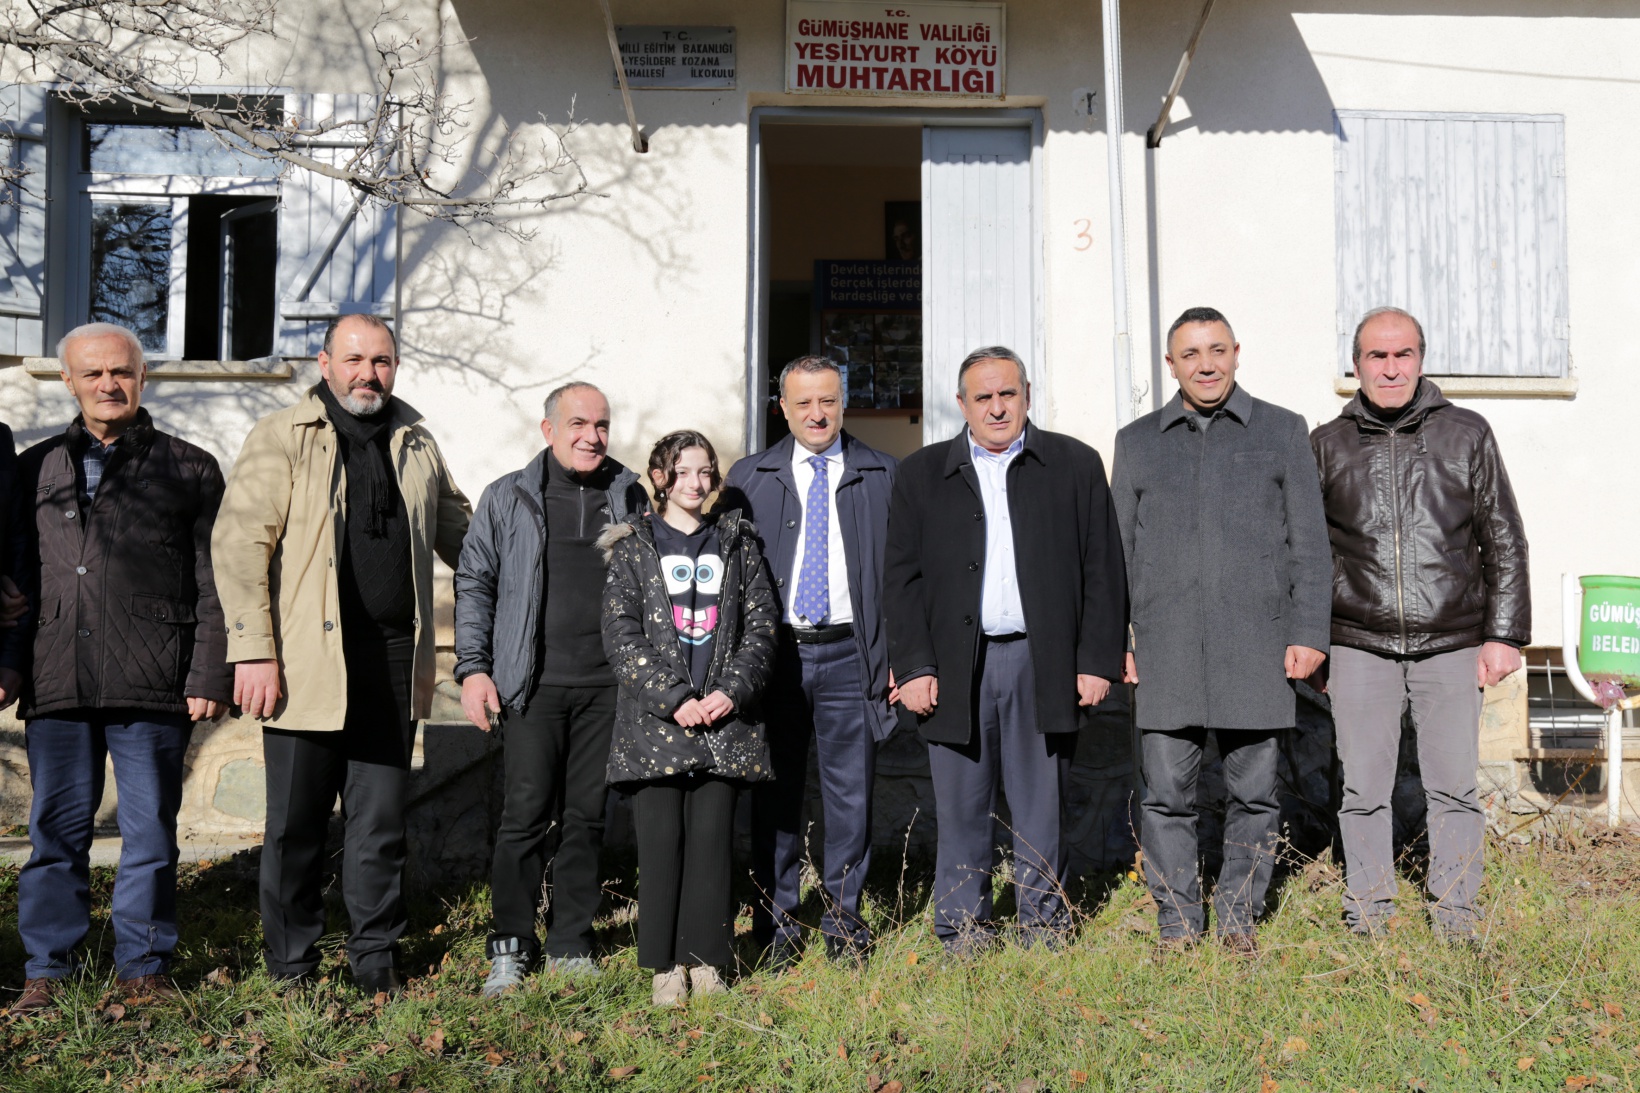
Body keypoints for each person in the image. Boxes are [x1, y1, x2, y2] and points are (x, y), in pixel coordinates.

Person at [212, 313, 471, 995]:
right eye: (354, 359)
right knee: (296, 826)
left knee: (379, 824)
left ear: (395, 367)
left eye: (381, 361)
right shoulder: (282, 435)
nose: (368, 374)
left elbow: (462, 532)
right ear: (324, 363)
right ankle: (292, 965)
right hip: (305, 663)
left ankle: (375, 959)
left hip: (392, 660)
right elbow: (239, 546)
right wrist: (253, 652)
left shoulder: (415, 441)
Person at [4, 323, 230, 1015]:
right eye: (94, 373)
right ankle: (48, 970)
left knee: (150, 832)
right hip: (56, 674)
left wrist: (209, 673)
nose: (109, 384)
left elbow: (217, 580)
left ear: (142, 378)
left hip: (154, 678)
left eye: (122, 372)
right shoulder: (33, 468)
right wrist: (9, 661)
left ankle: (144, 967)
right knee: (55, 833)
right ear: (69, 381)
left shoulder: (190, 467)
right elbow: (14, 576)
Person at [884, 346, 1127, 954]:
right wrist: (913, 666)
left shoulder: (1074, 464)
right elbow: (901, 580)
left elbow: (1103, 569)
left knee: (1042, 806)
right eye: (983, 397)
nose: (996, 407)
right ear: (961, 404)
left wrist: (1096, 660)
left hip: (1043, 663)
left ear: (1026, 395)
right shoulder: (921, 474)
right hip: (954, 667)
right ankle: (963, 931)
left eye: (1007, 394)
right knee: (961, 807)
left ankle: (1043, 927)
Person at [1111, 307, 1332, 958]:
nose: (1205, 365)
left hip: (1257, 646)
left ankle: (1238, 920)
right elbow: (1117, 553)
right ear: (1170, 364)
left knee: (1255, 796)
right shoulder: (1137, 441)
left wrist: (1308, 632)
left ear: (1237, 352)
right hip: (1166, 648)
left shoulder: (1282, 430)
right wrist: (1118, 640)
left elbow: (1310, 547)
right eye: (1190, 354)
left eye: (1216, 350)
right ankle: (1178, 926)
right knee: (1165, 797)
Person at [1312, 306, 1529, 941]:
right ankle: (1368, 915)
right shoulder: (1326, 444)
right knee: (1363, 791)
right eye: (1376, 356)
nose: (1390, 368)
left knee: (1455, 788)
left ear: (1421, 360)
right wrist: (1314, 642)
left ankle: (1456, 918)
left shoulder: (1467, 433)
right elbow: (1308, 553)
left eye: (1402, 354)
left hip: (1453, 641)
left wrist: (1504, 634)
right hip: (1357, 641)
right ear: (1356, 366)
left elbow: (1503, 538)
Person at [453, 382, 648, 996]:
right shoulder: (507, 496)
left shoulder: (631, 495)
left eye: (602, 424)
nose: (592, 436)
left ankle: (571, 942)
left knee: (587, 818)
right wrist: (474, 668)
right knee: (525, 818)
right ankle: (510, 945)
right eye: (578, 424)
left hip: (606, 687)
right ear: (549, 430)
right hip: (531, 686)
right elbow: (475, 582)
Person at [720, 356, 898, 967]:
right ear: (783, 408)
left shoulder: (882, 473)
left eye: (827, 401)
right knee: (776, 793)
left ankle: (845, 923)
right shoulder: (749, 477)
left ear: (843, 403)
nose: (817, 414)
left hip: (853, 655)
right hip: (776, 660)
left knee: (851, 797)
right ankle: (777, 923)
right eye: (803, 403)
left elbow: (904, 576)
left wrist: (898, 657)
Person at [597, 431, 778, 1006]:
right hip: (657, 726)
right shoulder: (633, 547)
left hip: (724, 724)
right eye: (682, 472)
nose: (695, 484)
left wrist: (732, 691)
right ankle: (664, 965)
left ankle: (707, 961)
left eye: (704, 472)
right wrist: (673, 697)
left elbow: (762, 627)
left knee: (711, 843)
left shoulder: (738, 544)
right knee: (661, 844)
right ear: (660, 478)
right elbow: (621, 633)